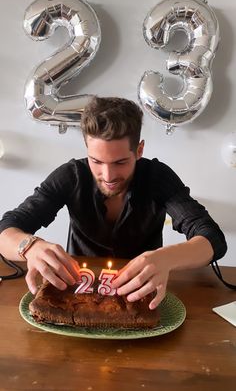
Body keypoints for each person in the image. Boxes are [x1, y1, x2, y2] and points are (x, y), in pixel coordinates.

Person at [0, 97, 227, 309]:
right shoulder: (71, 176)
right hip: (79, 296)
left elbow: (213, 238)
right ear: (87, 150)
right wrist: (29, 246)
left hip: (140, 296)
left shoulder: (158, 176)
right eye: (96, 161)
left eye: (120, 162)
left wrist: (166, 258)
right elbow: (6, 229)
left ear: (139, 150)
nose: (107, 175)